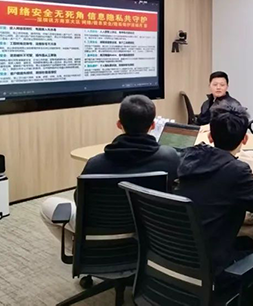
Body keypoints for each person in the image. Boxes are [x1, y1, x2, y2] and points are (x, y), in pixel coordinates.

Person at [40, 95, 181, 252]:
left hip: (105, 230)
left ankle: (81, 251)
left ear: (119, 124)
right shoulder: (171, 157)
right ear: (153, 125)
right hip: (153, 231)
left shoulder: (96, 164)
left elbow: (80, 202)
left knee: (48, 206)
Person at [175, 103, 253, 285]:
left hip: (178, 254)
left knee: (247, 243)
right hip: (211, 268)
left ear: (210, 136)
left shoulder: (187, 158)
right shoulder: (236, 171)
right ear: (245, 139)